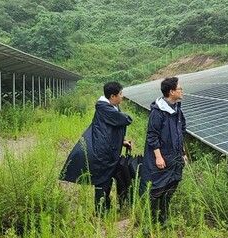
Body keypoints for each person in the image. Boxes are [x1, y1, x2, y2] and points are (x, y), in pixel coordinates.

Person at [61, 81, 133, 215]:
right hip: (103, 151)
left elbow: (109, 130)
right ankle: (100, 211)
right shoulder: (105, 108)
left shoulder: (111, 106)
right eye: (120, 94)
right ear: (112, 96)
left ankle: (106, 206)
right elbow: (125, 119)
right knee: (103, 180)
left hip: (108, 148)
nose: (122, 96)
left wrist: (121, 141)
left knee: (107, 178)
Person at [140, 76, 187, 229]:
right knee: (157, 187)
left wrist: (183, 153)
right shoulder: (158, 111)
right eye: (180, 89)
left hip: (175, 156)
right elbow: (152, 135)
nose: (182, 91)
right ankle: (152, 222)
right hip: (163, 156)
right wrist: (158, 157)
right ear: (171, 92)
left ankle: (163, 217)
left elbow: (181, 132)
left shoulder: (177, 110)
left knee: (172, 184)